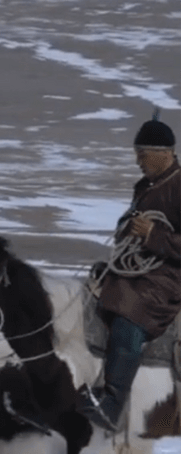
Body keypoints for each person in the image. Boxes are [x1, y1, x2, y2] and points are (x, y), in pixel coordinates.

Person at [78, 112, 181, 431]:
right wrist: (130, 233)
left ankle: (112, 402)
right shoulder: (145, 185)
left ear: (163, 154)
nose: (137, 161)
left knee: (129, 310)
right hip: (141, 266)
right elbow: (128, 226)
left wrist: (152, 234)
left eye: (142, 155)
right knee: (95, 289)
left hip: (168, 276)